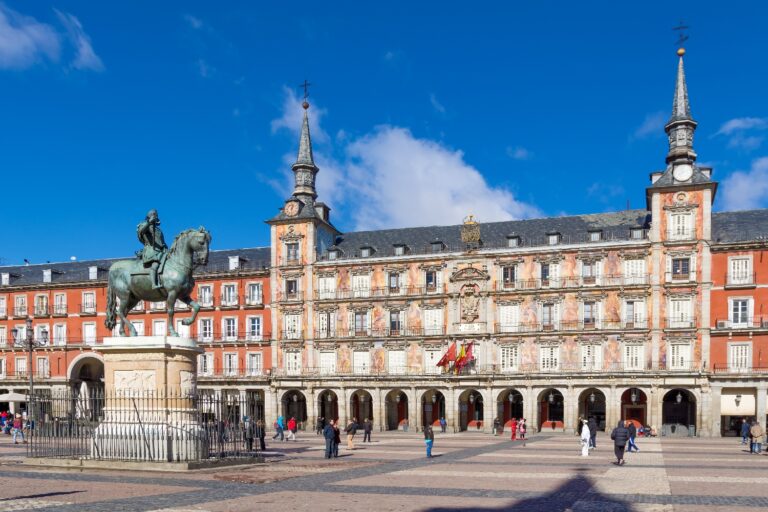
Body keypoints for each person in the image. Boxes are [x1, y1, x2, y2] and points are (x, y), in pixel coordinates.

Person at [136, 209, 168, 290]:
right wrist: (149, 222)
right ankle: (154, 284)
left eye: (156, 215)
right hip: (151, 250)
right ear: (149, 216)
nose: (155, 216)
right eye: (154, 215)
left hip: (161, 251)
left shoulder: (158, 230)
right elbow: (141, 232)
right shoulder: (143, 224)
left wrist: (165, 246)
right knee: (155, 264)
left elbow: (161, 242)